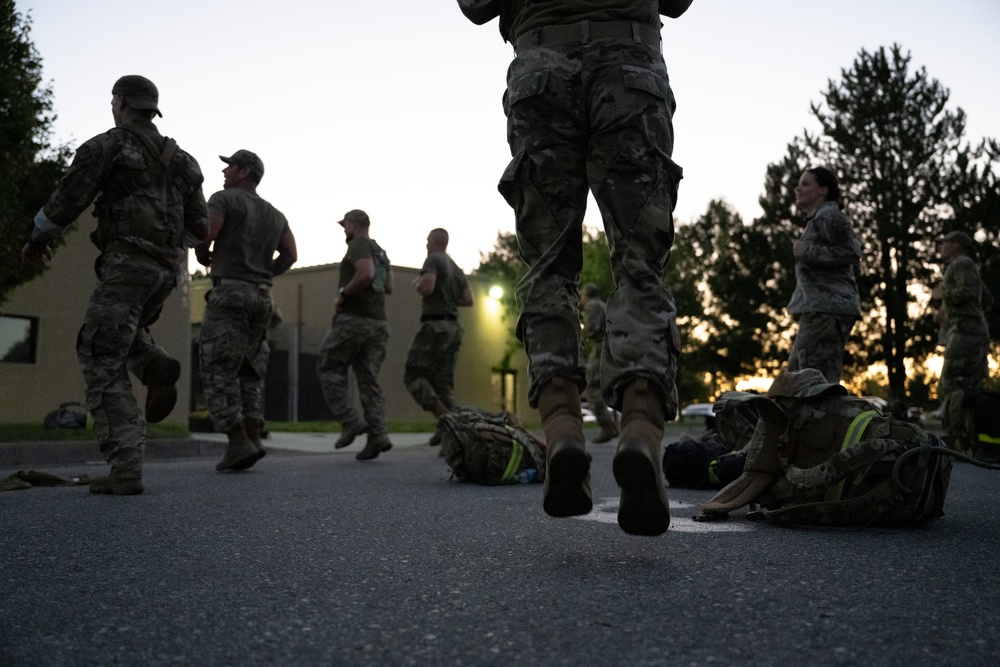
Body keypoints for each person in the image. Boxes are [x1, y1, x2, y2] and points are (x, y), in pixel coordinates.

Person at [458, 0, 692, 536]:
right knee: (639, 265)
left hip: (541, 71)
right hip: (629, 67)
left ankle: (563, 427)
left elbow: (474, 7)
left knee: (547, 266)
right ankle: (640, 430)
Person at [21, 75, 208, 495]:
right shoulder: (185, 161)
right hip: (168, 269)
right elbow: (198, 225)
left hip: (128, 264)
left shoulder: (106, 146)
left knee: (100, 352)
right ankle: (154, 364)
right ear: (151, 108)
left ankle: (125, 466)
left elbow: (69, 198)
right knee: (123, 331)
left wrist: (37, 239)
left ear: (121, 102)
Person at [195, 150, 297, 472]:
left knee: (217, 367)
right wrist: (264, 274)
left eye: (230, 166)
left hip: (230, 295)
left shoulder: (224, 199)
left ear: (245, 172)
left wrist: (202, 253)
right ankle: (253, 437)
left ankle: (237, 441)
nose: (224, 171)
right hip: (262, 297)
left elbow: (206, 232)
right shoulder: (275, 214)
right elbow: (291, 254)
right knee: (249, 370)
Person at [316, 209, 395, 461]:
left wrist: (344, 294)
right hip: (378, 324)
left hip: (354, 320)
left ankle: (350, 421)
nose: (344, 231)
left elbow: (366, 273)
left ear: (353, 224)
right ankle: (378, 435)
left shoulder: (358, 245)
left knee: (328, 366)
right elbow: (388, 286)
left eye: (345, 226)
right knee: (368, 378)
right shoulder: (381, 251)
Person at [786, 166, 862, 384]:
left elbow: (851, 254)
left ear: (823, 190)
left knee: (812, 381)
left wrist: (807, 251)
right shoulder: (820, 217)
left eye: (806, 184)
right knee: (797, 376)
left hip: (826, 311)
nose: (798, 189)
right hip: (821, 309)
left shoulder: (829, 215)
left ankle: (821, 418)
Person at [404, 228, 474, 421]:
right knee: (442, 382)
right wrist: (448, 299)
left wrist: (418, 283)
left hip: (434, 326)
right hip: (453, 327)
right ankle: (458, 432)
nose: (426, 245)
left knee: (414, 376)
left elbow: (427, 287)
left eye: (428, 241)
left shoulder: (433, 260)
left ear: (435, 242)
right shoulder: (455, 267)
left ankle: (447, 421)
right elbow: (468, 299)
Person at [933, 230, 993, 447]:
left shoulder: (961, 264)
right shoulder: (966, 265)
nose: (940, 247)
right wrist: (950, 315)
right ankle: (972, 437)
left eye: (945, 243)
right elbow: (985, 298)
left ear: (956, 245)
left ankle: (957, 438)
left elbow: (967, 292)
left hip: (965, 333)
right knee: (969, 384)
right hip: (970, 331)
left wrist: (943, 296)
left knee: (951, 384)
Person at [580, 283, 619, 443]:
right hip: (614, 347)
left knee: (591, 388)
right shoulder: (604, 305)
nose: (580, 299)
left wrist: (580, 330)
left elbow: (592, 328)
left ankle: (606, 426)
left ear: (587, 295)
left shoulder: (591, 307)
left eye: (581, 295)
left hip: (601, 348)